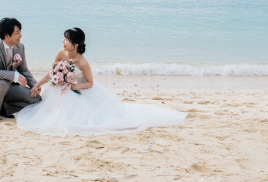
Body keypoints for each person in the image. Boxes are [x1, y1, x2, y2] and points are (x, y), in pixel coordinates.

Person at [15, 27, 187, 136]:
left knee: (85, 118)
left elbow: (90, 82)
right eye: (64, 38)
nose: (63, 41)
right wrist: (38, 84)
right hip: (58, 89)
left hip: (79, 91)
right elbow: (51, 73)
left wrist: (77, 85)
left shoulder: (83, 62)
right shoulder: (60, 54)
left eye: (66, 39)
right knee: (45, 113)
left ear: (75, 44)